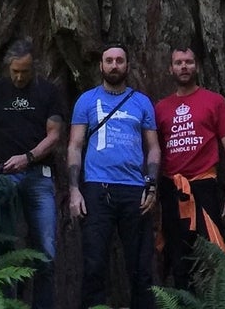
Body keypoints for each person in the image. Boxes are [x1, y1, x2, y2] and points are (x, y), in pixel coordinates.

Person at [0, 38, 67, 309]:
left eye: (25, 71)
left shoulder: (47, 92)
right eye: (15, 71)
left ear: (33, 67)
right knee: (0, 249)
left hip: (39, 175)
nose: (20, 76)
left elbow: (55, 134)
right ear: (8, 68)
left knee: (45, 249)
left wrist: (28, 157)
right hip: (3, 179)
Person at [67, 44, 160, 309]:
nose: (114, 65)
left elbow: (153, 148)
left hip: (135, 191)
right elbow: (74, 145)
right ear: (101, 66)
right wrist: (75, 190)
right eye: (109, 60)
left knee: (141, 267)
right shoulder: (86, 100)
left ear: (127, 65)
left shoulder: (141, 102)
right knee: (94, 264)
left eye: (119, 60)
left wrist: (151, 185)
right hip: (97, 189)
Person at [154, 45, 225, 289]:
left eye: (189, 62)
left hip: (204, 186)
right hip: (172, 188)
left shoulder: (214, 101)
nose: (184, 67)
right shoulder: (160, 108)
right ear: (170, 69)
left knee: (214, 254)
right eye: (179, 63)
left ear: (197, 66)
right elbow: (154, 151)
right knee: (178, 258)